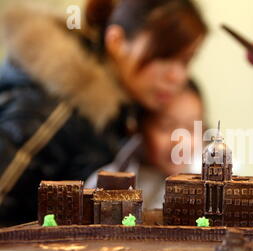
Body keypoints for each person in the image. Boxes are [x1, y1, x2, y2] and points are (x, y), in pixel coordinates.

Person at [0, 0, 207, 225]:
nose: (177, 77)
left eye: (186, 61)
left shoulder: (123, 109)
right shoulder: (54, 107)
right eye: (164, 57)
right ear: (117, 41)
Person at [86, 79, 204, 209]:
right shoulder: (107, 183)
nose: (181, 141)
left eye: (191, 128)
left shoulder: (213, 181)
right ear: (138, 127)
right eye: (166, 127)